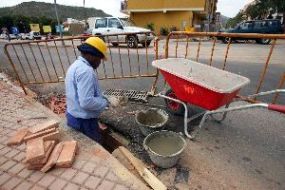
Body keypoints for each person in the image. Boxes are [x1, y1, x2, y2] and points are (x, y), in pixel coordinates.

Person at [65, 37, 109, 142]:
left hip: (73, 115)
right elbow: (86, 102)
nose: (99, 63)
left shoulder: (76, 65)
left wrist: (102, 97)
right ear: (93, 55)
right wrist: (105, 102)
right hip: (84, 121)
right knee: (95, 145)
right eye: (100, 59)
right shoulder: (86, 71)